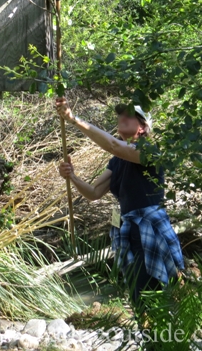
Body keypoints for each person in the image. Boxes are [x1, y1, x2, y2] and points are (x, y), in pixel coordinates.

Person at [55, 98, 185, 319]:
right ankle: (152, 341)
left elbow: (113, 145)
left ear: (142, 127)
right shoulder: (117, 161)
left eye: (129, 115)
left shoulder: (150, 150)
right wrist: (73, 177)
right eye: (120, 114)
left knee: (153, 291)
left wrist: (73, 119)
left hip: (149, 230)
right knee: (137, 293)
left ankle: (163, 340)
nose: (122, 118)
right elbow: (94, 193)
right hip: (128, 231)